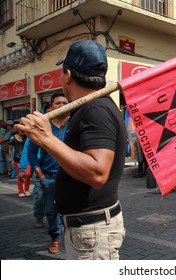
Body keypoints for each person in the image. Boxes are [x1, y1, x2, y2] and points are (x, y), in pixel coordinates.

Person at [16, 39, 127, 260]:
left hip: (92, 232)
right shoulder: (87, 108)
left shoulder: (96, 109)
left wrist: (46, 139)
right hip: (86, 230)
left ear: (67, 74)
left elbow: (97, 172)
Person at [27, 92, 69, 254]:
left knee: (72, 208)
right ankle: (55, 238)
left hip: (71, 176)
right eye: (57, 103)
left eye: (64, 103)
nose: (61, 106)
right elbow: (31, 153)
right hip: (49, 177)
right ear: (51, 107)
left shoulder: (74, 124)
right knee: (51, 210)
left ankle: (70, 236)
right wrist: (40, 175)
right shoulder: (43, 127)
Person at [9, 129, 31, 197]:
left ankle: (26, 190)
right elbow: (9, 149)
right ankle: (21, 191)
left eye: (24, 130)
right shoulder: (13, 138)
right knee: (20, 175)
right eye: (21, 130)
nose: (23, 131)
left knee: (28, 174)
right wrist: (12, 159)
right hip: (17, 159)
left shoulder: (27, 137)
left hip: (27, 159)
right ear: (18, 130)